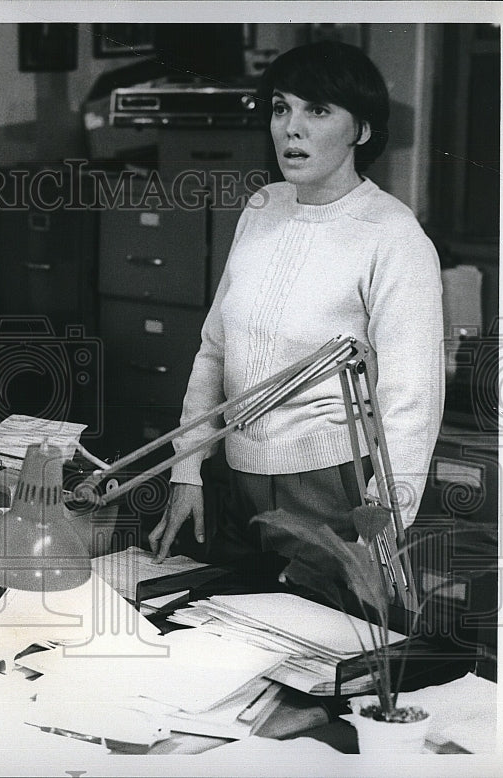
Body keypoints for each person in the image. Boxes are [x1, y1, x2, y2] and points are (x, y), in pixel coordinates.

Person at [149, 41, 443, 567]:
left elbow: (411, 399)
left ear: (363, 131)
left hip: (332, 490)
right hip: (236, 482)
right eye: (281, 107)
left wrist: (383, 519)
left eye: (318, 110)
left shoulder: (395, 237)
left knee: (317, 640)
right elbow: (214, 349)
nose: (292, 127)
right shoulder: (263, 207)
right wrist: (186, 472)